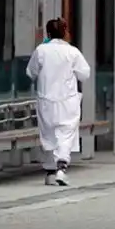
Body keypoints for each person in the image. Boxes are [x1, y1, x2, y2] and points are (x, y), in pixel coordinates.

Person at [26, 17, 91, 186]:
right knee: (66, 134)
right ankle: (61, 168)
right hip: (67, 100)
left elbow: (30, 72)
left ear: (48, 33)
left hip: (46, 100)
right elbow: (85, 74)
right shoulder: (72, 52)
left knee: (48, 135)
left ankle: (49, 172)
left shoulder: (41, 51)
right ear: (65, 32)